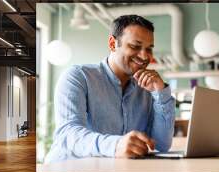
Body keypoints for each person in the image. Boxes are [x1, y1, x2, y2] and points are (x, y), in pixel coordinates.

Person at [44, 15, 175, 163]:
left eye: (149, 49)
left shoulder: (147, 89)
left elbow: (162, 146)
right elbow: (68, 134)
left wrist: (161, 93)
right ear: (113, 44)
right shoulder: (78, 77)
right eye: (135, 46)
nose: (145, 56)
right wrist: (116, 145)